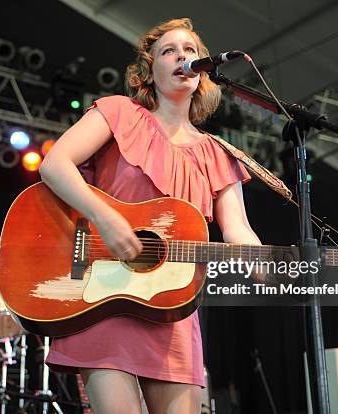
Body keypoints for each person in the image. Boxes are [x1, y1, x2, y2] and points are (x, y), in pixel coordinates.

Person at [39, 18, 262, 413]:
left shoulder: (218, 153)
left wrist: (267, 263)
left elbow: (238, 231)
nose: (183, 57)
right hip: (103, 296)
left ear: (204, 70)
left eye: (191, 51)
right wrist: (105, 218)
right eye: (169, 51)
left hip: (172, 311)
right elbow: (54, 165)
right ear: (149, 71)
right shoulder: (118, 112)